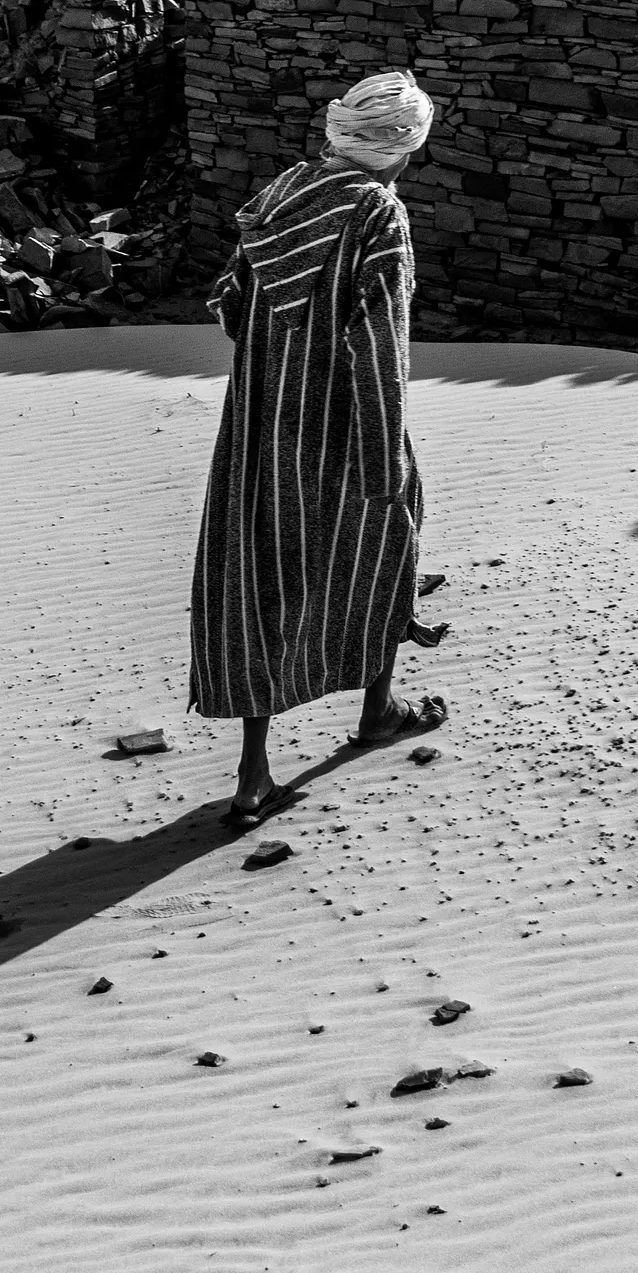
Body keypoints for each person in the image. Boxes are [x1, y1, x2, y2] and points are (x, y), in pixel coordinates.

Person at [187, 68, 450, 832]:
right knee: (384, 541)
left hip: (261, 422)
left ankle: (253, 772)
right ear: (403, 148)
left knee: (260, 574)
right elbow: (380, 346)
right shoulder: (378, 216)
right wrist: (383, 458)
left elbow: (231, 300)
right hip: (343, 421)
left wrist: (278, 359)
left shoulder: (283, 194)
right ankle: (378, 710)